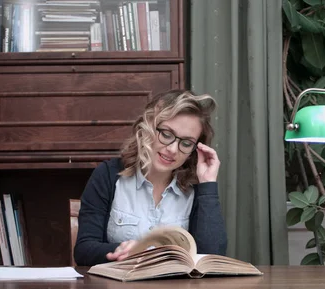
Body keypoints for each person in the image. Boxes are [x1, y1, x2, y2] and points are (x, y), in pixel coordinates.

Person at [73, 89, 227, 266]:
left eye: (186, 143)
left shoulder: (197, 187)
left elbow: (212, 258)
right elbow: (83, 250)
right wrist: (124, 251)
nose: (173, 149)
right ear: (148, 127)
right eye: (167, 134)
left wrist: (208, 185)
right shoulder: (107, 175)